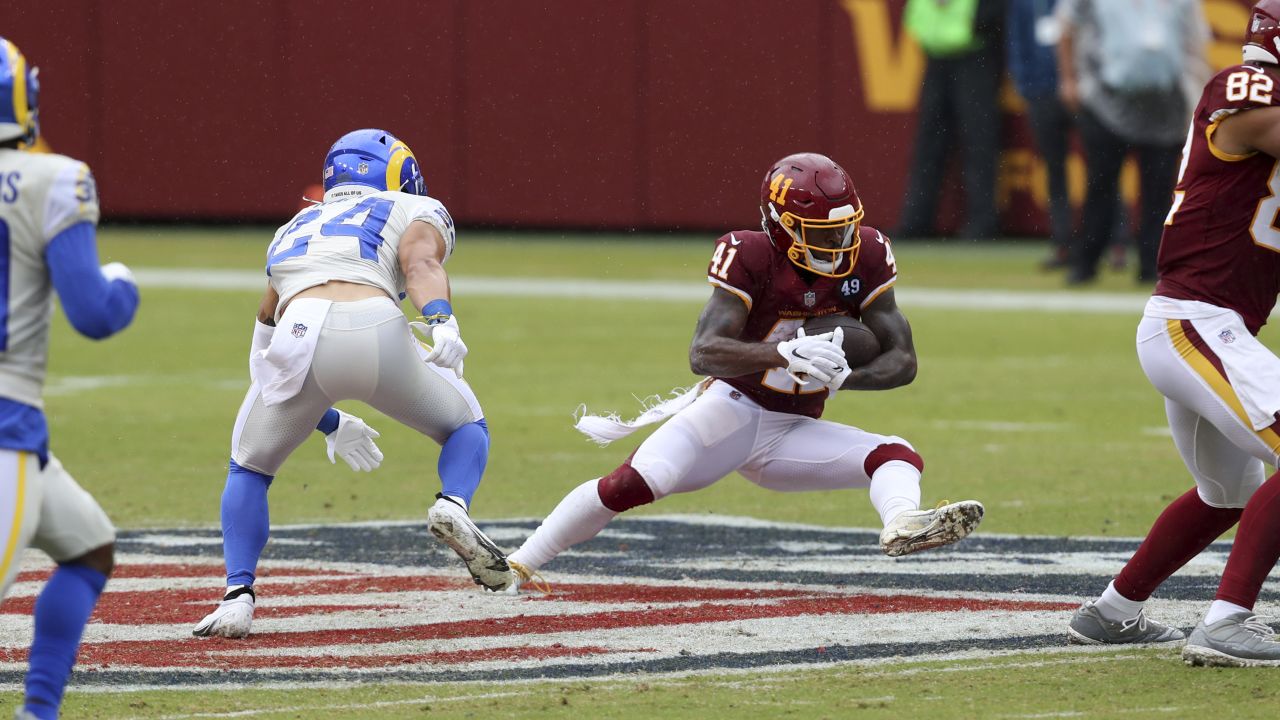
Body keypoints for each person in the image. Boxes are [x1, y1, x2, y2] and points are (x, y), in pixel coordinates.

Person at [502, 153, 985, 591]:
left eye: (843, 229)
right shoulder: (751, 254)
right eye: (819, 231)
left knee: (897, 456)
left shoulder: (869, 252)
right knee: (633, 483)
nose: (837, 242)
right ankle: (516, 565)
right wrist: (783, 355)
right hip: (730, 410)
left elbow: (903, 360)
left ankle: (902, 522)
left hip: (792, 429)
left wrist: (844, 380)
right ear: (778, 224)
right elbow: (704, 353)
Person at [192, 129, 509, 639]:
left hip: (299, 333)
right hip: (375, 324)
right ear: (397, 173)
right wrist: (442, 318)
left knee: (249, 466)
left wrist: (329, 419)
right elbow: (419, 262)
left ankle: (237, 595)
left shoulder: (293, 226)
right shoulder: (414, 208)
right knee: (466, 425)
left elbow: (265, 363)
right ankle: (452, 504)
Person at [1067, 1, 1280, 667]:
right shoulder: (1246, 89)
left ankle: (1112, 611)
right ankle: (1225, 622)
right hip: (1195, 322)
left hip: (1211, 327)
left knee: (1229, 494)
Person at [0, 38, 140, 720]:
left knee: (88, 546)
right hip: (4, 427)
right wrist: (125, 285)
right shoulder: (52, 179)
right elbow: (92, 313)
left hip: (17, 438)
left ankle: (39, 711)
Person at [1056, 0, 1209, 284]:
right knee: (1100, 185)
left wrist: (1196, 91)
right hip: (1106, 101)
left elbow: (1195, 39)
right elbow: (1066, 25)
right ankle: (1085, 263)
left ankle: (1153, 266)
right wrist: (1068, 79)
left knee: (1159, 190)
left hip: (1166, 105)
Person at [897, 0, 1006, 240]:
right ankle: (916, 221)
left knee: (979, 142)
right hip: (935, 55)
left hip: (974, 55)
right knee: (928, 145)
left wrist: (981, 25)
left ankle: (982, 223)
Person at [1006, 0, 1072, 269]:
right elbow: (1016, 42)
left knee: (1103, 169)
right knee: (1055, 170)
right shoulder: (1025, 4)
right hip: (1042, 93)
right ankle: (1063, 244)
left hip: (1082, 92)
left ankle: (1115, 244)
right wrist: (1027, 86)